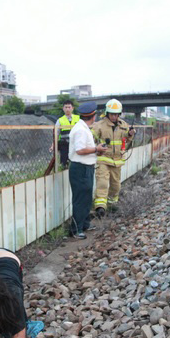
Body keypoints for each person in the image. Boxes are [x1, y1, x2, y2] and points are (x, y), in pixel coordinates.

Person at [67, 102, 108, 239]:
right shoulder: (81, 130)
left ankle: (84, 224)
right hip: (80, 168)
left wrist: (97, 150)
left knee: (86, 198)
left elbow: (85, 149)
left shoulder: (84, 128)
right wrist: (97, 149)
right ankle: (76, 230)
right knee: (80, 199)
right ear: (93, 116)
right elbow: (79, 150)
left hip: (85, 168)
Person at [91, 98, 135, 217]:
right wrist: (96, 149)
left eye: (116, 114)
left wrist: (130, 134)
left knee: (116, 186)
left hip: (117, 161)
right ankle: (100, 207)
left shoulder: (123, 125)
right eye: (112, 114)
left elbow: (127, 138)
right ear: (107, 113)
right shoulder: (99, 125)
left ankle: (111, 205)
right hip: (103, 159)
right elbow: (90, 140)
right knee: (102, 183)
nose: (114, 117)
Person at [49, 100, 80, 168]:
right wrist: (53, 145)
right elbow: (56, 134)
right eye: (66, 107)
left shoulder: (78, 119)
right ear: (63, 108)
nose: (67, 109)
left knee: (76, 163)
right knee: (64, 163)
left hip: (76, 144)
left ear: (72, 108)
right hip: (65, 146)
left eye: (69, 107)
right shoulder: (60, 120)